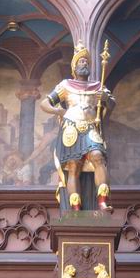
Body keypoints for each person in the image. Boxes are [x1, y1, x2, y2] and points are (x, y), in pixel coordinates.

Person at [39, 41, 115, 211]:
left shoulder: (98, 86)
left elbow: (112, 104)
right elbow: (45, 103)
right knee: (73, 166)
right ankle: (75, 207)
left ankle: (102, 202)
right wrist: (59, 112)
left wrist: (105, 99)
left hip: (89, 128)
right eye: (81, 62)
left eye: (87, 62)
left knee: (98, 156)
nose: (84, 64)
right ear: (74, 67)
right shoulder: (65, 85)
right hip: (71, 128)